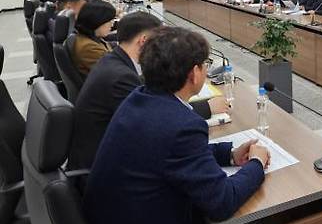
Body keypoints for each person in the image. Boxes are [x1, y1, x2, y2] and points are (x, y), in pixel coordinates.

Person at [83, 27, 270, 224]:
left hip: (112, 216)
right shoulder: (182, 126)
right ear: (194, 74)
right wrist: (256, 163)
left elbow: (169, 152)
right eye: (205, 65)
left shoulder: (139, 96)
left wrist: (230, 154)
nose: (207, 70)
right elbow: (222, 203)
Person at [68, 12, 229, 170]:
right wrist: (208, 107)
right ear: (144, 40)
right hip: (100, 168)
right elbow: (161, 122)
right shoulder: (120, 77)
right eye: (160, 41)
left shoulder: (114, 61)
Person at [71, 0, 116, 77]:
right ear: (97, 20)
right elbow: (115, 72)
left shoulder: (90, 38)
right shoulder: (88, 47)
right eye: (109, 21)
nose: (111, 25)